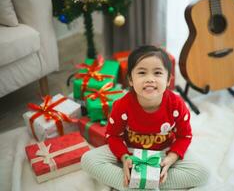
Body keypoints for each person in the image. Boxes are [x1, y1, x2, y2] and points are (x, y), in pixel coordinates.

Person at [81, 45, 209, 190]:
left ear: (168, 80)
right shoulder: (121, 106)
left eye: (157, 73)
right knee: (88, 160)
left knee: (203, 173)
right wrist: (124, 158)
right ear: (130, 79)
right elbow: (113, 136)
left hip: (164, 151)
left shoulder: (177, 105)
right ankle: (134, 184)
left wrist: (170, 159)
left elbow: (184, 136)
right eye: (142, 73)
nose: (150, 79)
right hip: (131, 151)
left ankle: (148, 182)